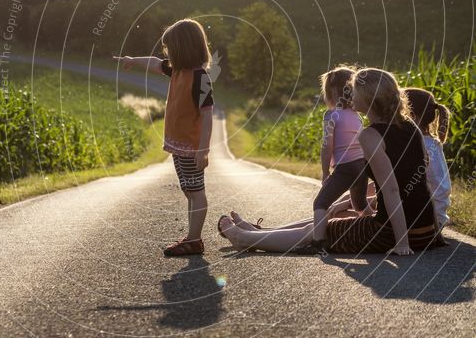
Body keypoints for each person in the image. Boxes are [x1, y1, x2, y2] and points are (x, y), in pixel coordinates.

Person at [219, 68, 438, 256]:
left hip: (393, 233)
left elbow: (391, 190)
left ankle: (245, 239)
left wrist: (401, 243)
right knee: (335, 214)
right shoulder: (410, 126)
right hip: (426, 230)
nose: (349, 92)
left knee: (317, 231)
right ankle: (258, 232)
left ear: (367, 98)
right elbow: (414, 177)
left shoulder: (370, 135)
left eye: (354, 89)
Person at [114, 18, 214, 256]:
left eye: (170, 48)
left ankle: (194, 239)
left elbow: (208, 115)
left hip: (191, 146)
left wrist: (203, 149)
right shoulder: (176, 70)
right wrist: (132, 60)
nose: (166, 52)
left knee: (196, 191)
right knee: (189, 190)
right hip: (179, 146)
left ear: (183, 48)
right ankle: (192, 237)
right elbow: (154, 63)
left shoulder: (200, 78)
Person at [311, 66, 372, 250]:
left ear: (332, 93)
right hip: (362, 165)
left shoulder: (331, 114)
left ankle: (317, 243)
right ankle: (379, 227)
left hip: (346, 167)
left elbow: (326, 146)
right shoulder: (357, 115)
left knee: (320, 203)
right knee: (359, 203)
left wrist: (324, 172)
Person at [405, 87, 452, 230]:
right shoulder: (433, 142)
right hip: (438, 215)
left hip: (424, 218)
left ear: (410, 115)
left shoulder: (416, 144)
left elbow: (398, 185)